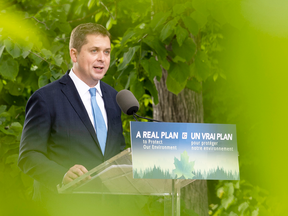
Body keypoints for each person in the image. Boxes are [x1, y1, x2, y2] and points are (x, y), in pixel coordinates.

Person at [18, 23, 126, 210]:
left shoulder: (115, 98)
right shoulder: (46, 99)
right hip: (61, 206)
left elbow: (117, 153)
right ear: (74, 54)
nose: (102, 58)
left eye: (107, 52)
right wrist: (61, 175)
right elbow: (28, 155)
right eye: (94, 50)